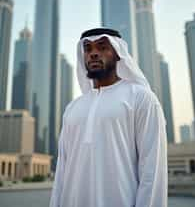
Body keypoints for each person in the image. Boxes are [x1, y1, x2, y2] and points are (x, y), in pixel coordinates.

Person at [49, 28, 168, 207]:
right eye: (88, 49)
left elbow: (152, 169)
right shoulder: (73, 108)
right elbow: (62, 171)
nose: (93, 53)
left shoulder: (141, 98)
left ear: (118, 54)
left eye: (102, 47)